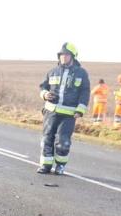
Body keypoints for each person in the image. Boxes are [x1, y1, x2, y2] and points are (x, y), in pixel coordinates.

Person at [37, 42, 90, 175]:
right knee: (47, 138)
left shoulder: (81, 73)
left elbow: (85, 92)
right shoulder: (52, 71)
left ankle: (60, 166)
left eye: (66, 55)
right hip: (50, 112)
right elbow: (43, 87)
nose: (63, 57)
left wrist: (80, 110)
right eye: (61, 55)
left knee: (63, 141)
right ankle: (45, 165)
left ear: (73, 56)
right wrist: (45, 94)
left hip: (68, 115)